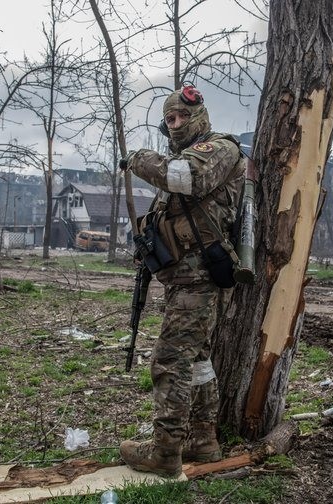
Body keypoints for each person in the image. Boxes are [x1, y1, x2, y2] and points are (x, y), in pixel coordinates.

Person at [119, 85, 245, 477]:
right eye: (169, 119)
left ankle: (165, 452)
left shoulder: (218, 149)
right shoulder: (184, 154)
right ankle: (202, 440)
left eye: (180, 117)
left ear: (198, 115)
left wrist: (138, 159)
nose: (174, 126)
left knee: (170, 361)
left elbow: (185, 176)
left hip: (200, 279)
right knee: (198, 361)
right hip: (185, 279)